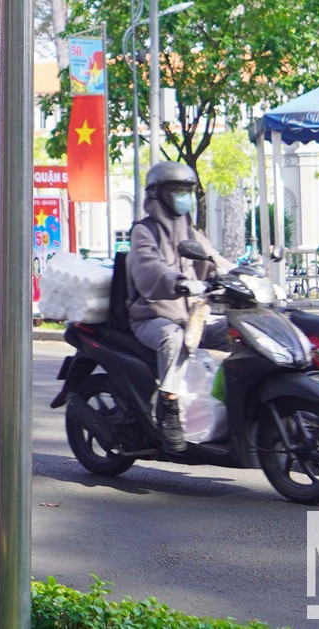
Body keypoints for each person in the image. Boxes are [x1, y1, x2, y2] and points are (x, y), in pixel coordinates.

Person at [123, 160, 232, 452]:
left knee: (235, 332)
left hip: (190, 316)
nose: (184, 196)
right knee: (175, 339)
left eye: (188, 190)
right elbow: (149, 268)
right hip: (151, 317)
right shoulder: (144, 232)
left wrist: (237, 274)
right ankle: (169, 407)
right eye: (177, 189)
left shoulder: (190, 230)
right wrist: (178, 282)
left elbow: (212, 257)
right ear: (158, 193)